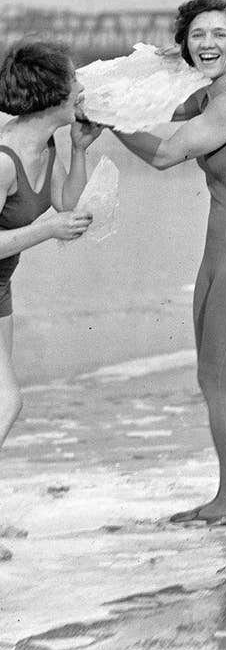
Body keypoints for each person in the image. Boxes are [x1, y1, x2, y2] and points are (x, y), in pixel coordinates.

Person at [112, 0, 226, 525]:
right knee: (210, 379)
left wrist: (107, 120)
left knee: (220, 380)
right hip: (221, 256)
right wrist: (159, 66)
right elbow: (158, 110)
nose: (208, 43)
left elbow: (166, 152)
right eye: (197, 35)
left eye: (219, 34)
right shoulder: (211, 95)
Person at [0, 40, 99, 450]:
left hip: (0, 285)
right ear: (51, 91)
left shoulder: (45, 144)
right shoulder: (3, 160)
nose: (81, 87)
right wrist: (47, 230)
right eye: (74, 79)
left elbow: (67, 204)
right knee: (6, 401)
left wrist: (79, 148)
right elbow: (54, 223)